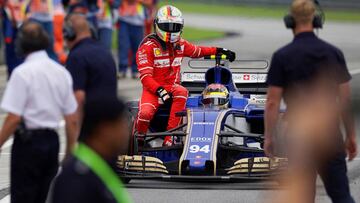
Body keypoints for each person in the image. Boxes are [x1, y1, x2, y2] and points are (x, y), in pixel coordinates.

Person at [264, 0, 357, 202]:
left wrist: (269, 136)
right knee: (341, 195)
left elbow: (272, 102)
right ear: (316, 21)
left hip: (299, 135)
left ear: (290, 21)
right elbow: (345, 99)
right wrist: (350, 135)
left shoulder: (282, 56)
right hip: (329, 133)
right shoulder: (333, 53)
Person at [0, 21, 78, 203]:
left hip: (27, 144)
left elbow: (13, 118)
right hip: (52, 142)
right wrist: (69, 152)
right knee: (45, 195)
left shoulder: (21, 73)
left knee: (23, 196)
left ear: (22, 44)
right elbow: (71, 118)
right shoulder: (61, 72)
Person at [136, 5, 236, 146]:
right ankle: (139, 139)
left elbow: (199, 51)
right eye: (167, 26)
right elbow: (145, 78)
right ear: (157, 24)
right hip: (152, 90)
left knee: (182, 91)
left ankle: (170, 137)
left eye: (174, 26)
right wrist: (159, 90)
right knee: (145, 113)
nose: (170, 30)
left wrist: (220, 50)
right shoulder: (147, 47)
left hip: (172, 87)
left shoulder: (181, 45)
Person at [50, 98, 132, 203]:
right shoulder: (77, 179)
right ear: (103, 129)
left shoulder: (102, 165)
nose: (125, 132)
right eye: (120, 125)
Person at [63, 13, 117, 118]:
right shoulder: (106, 52)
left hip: (91, 124)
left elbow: (78, 99)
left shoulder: (76, 57)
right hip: (110, 120)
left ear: (70, 33)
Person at [117, 0, 152, 79]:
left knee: (137, 47)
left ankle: (135, 71)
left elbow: (149, 3)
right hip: (124, 19)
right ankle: (122, 70)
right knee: (123, 45)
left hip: (138, 22)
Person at [0, 0, 25, 77]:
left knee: (21, 48)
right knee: (10, 48)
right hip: (9, 20)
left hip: (21, 18)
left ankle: (20, 73)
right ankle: (12, 74)